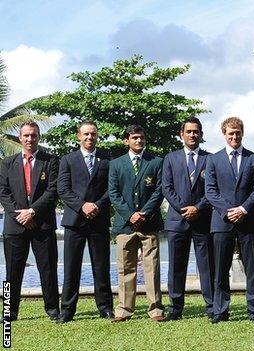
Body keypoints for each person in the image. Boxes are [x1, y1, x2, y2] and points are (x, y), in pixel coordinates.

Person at [205, 117, 254, 324]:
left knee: (253, 269)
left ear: (242, 133)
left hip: (248, 221)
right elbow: (210, 191)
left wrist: (243, 209)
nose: (234, 137)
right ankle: (220, 310)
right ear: (224, 134)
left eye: (237, 133)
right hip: (222, 221)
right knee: (220, 269)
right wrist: (228, 211)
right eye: (230, 133)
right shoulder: (213, 159)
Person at [0, 121, 59, 322]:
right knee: (11, 273)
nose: (30, 139)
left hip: (42, 224)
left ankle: (52, 309)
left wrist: (32, 212)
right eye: (26, 135)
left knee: (48, 269)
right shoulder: (7, 163)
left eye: (33, 135)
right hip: (15, 227)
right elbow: (3, 193)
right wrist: (21, 216)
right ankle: (9, 311)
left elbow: (53, 191)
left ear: (38, 137)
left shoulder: (51, 161)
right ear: (20, 138)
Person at [56, 121, 113, 323]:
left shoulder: (106, 159)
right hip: (75, 221)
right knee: (72, 267)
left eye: (93, 134)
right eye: (86, 134)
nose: (90, 137)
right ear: (78, 136)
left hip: (98, 219)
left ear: (97, 136)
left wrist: (96, 205)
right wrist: (83, 206)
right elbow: (63, 189)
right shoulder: (68, 159)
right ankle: (68, 309)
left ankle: (105, 307)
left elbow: (111, 189)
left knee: (101, 266)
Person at [108, 124, 165, 322]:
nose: (138, 140)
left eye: (141, 137)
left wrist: (144, 213)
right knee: (125, 268)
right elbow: (113, 194)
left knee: (152, 267)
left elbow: (159, 191)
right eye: (134, 138)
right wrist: (130, 215)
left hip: (148, 223)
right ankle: (124, 309)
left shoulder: (156, 162)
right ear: (126, 140)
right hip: (125, 225)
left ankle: (156, 309)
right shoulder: (115, 164)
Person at [161, 117, 214, 321]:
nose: (192, 135)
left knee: (207, 266)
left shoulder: (210, 159)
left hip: (202, 220)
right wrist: (185, 209)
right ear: (181, 134)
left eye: (196, 131)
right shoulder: (171, 158)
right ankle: (175, 307)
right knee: (176, 266)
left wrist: (198, 208)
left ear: (201, 134)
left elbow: (211, 189)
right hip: (177, 221)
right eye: (189, 131)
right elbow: (167, 188)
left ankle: (211, 306)